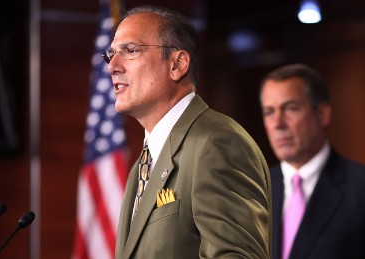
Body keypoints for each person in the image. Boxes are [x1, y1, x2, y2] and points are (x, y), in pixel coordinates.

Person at [105, 5, 272, 259]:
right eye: (111, 54)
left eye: (130, 51)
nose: (112, 66)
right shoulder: (140, 167)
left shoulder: (217, 144)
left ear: (177, 64)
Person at [259, 63, 365, 259]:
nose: (277, 123)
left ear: (322, 114)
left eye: (291, 108)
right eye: (269, 112)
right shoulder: (255, 189)